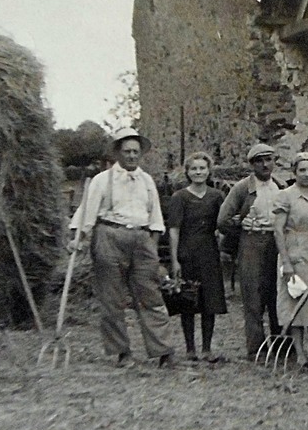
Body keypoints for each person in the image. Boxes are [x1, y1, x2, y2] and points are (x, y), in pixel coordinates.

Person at [69, 127, 176, 368]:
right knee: (112, 299)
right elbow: (87, 212)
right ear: (117, 153)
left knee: (150, 295)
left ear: (141, 154)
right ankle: (122, 353)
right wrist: (79, 237)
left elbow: (156, 218)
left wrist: (153, 249)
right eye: (126, 151)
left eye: (135, 152)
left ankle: (164, 351)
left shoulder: (147, 180)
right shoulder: (102, 180)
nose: (131, 156)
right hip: (109, 236)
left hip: (140, 238)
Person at [217, 142, 288, 359]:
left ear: (274, 162)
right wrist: (243, 232)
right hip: (251, 243)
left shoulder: (281, 185)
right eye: (259, 161)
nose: (265, 165)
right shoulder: (242, 188)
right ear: (252, 165)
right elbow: (223, 220)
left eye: (268, 160)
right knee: (253, 295)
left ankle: (281, 343)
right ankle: (256, 347)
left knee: (277, 293)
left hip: (276, 243)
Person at [272, 152, 308, 369]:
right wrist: (286, 262)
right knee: (295, 303)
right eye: (302, 170)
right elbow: (278, 231)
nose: (306, 174)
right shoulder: (286, 196)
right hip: (295, 253)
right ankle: (300, 354)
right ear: (294, 172)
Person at [166, 151, 228, 362]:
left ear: (209, 171)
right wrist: (174, 260)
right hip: (187, 252)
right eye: (194, 168)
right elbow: (174, 229)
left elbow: (223, 224)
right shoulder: (180, 197)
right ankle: (190, 348)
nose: (198, 172)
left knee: (209, 301)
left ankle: (207, 349)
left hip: (209, 252)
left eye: (202, 168)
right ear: (188, 172)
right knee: (188, 300)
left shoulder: (217, 196)